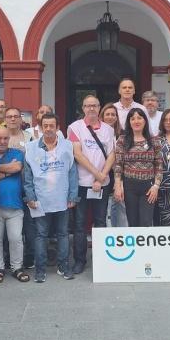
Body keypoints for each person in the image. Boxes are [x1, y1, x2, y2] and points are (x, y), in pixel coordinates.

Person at [24, 113, 79, 283]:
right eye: (45, 126)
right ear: (40, 127)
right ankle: (40, 270)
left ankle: (63, 266)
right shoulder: (31, 147)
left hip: (62, 198)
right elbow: (27, 176)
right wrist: (30, 196)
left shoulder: (67, 146)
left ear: (58, 127)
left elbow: (72, 173)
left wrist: (73, 195)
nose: (48, 129)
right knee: (41, 235)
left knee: (63, 234)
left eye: (51, 126)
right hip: (40, 200)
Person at [68, 95, 115, 274]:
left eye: (94, 106)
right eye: (87, 106)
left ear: (99, 107)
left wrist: (101, 177)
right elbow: (78, 154)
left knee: (101, 221)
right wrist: (97, 175)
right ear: (83, 108)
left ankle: (102, 259)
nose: (91, 109)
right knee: (79, 223)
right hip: (82, 183)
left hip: (103, 183)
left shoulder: (108, 129)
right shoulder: (74, 127)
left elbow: (112, 154)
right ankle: (80, 261)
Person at [0, 127, 30, 283]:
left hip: (15, 205)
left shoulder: (17, 153)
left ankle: (17, 268)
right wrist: (7, 171)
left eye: (5, 138)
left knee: (15, 238)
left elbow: (17, 167)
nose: (3, 141)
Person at [113, 108, 163, 227]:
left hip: (149, 187)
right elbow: (118, 164)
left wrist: (156, 186)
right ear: (129, 122)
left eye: (139, 118)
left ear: (145, 121)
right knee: (133, 222)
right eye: (133, 118)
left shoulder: (154, 140)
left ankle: (145, 246)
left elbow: (159, 165)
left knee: (146, 222)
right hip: (129, 186)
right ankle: (135, 246)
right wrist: (118, 186)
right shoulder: (122, 140)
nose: (136, 121)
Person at [101, 103, 128, 227]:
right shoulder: (96, 133)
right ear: (102, 116)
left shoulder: (123, 134)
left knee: (119, 206)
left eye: (113, 114)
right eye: (107, 114)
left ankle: (119, 235)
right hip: (102, 173)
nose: (110, 117)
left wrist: (120, 180)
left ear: (117, 117)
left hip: (119, 175)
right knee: (103, 209)